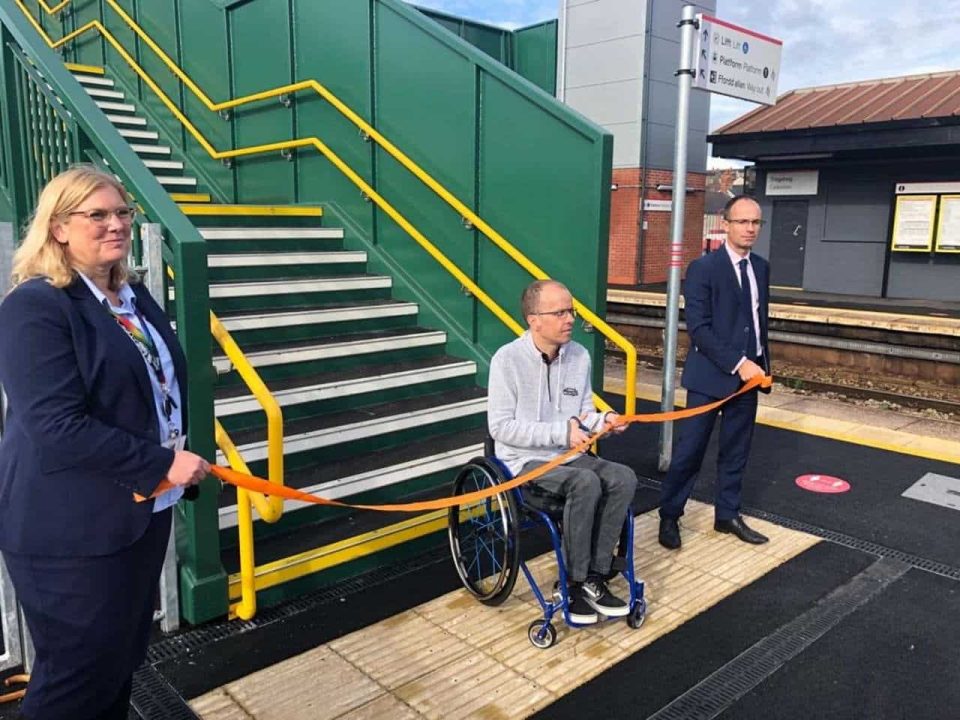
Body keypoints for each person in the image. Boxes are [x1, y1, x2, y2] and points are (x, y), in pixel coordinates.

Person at [0, 166, 209, 720]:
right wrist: (163, 460)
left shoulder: (129, 295)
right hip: (69, 535)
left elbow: (153, 387)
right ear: (60, 227)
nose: (115, 224)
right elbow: (55, 426)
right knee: (73, 685)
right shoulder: (36, 306)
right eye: (98, 215)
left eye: (123, 213)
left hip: (136, 516)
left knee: (115, 669)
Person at [488, 279, 637, 624]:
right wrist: (560, 431)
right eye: (559, 312)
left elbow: (582, 415)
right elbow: (501, 428)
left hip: (569, 457)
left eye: (571, 310)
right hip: (523, 461)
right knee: (585, 482)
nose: (569, 318)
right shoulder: (507, 361)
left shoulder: (580, 357)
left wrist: (606, 420)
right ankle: (573, 581)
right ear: (533, 319)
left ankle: (596, 577)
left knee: (622, 477)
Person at [658, 195, 771, 550]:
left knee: (736, 451)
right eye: (743, 222)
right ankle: (670, 515)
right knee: (690, 451)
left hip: (749, 379)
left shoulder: (762, 268)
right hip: (710, 378)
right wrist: (740, 363)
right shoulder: (704, 268)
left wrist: (762, 363)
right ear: (725, 224)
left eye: (756, 222)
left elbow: (756, 323)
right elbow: (700, 328)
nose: (750, 229)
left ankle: (727, 515)